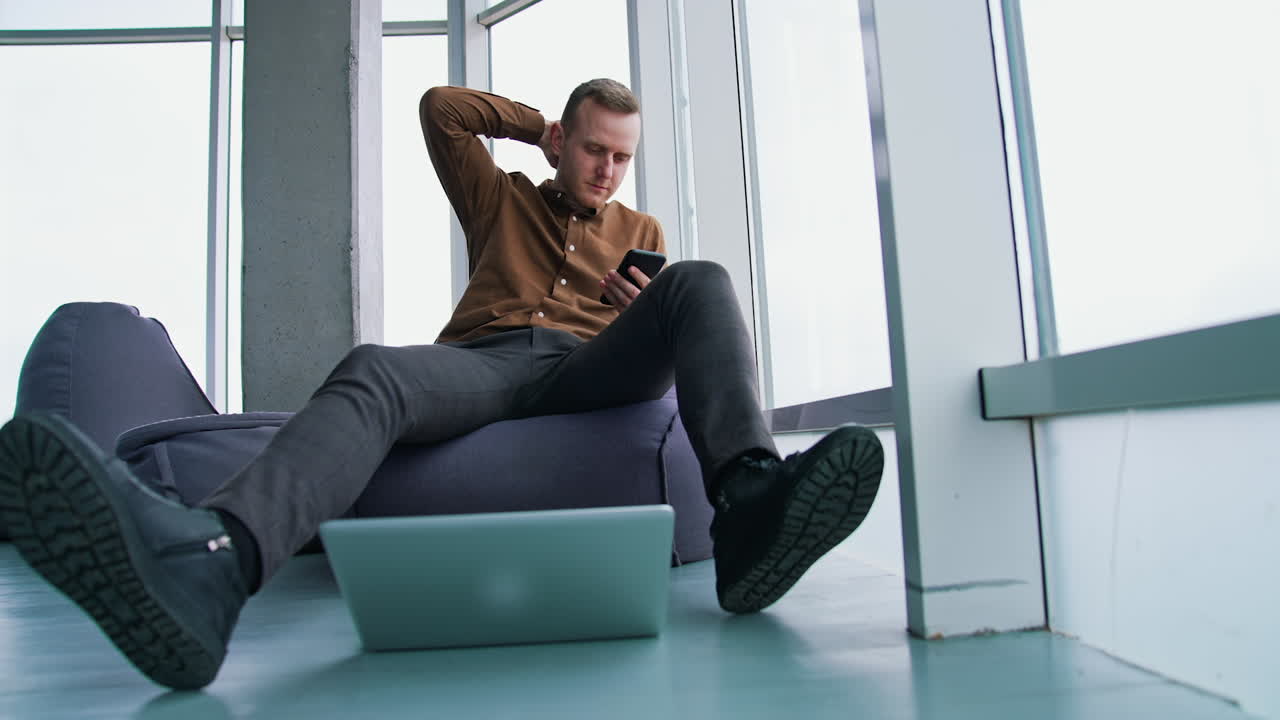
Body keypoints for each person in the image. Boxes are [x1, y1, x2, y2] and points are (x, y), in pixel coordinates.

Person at [0, 80, 883, 691]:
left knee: (702, 280)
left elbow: (664, 330)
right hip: (488, 361)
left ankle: (753, 507)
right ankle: (212, 566)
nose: (608, 169)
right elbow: (441, 111)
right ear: (563, 141)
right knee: (373, 368)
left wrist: (627, 314)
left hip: (594, 366)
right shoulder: (501, 198)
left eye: (621, 156)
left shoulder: (637, 226)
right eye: (592, 148)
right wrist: (532, 121)